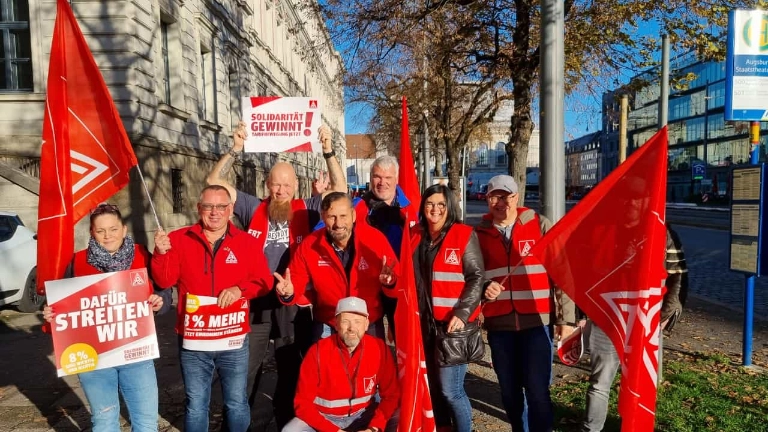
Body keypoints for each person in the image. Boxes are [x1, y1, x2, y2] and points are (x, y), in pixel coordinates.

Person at [206, 122, 347, 428]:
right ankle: (242, 423)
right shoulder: (252, 207)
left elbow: (339, 191)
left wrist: (328, 151)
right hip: (255, 302)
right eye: (275, 185)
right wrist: (234, 149)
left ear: (296, 186)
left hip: (292, 304)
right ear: (267, 185)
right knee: (247, 370)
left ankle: (286, 422)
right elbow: (214, 182)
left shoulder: (307, 209)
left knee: (291, 369)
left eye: (287, 185)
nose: (281, 191)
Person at [151, 185, 273, 432]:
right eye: (208, 206)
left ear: (230, 210)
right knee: (196, 404)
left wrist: (241, 290)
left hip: (233, 340)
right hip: (194, 341)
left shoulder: (247, 242)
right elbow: (164, 281)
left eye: (221, 206)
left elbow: (265, 282)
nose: (214, 212)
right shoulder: (178, 239)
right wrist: (161, 254)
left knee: (236, 403)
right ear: (199, 209)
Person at [42, 203, 168, 432]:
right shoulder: (78, 261)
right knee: (104, 422)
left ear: (124, 229)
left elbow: (164, 289)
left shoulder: (142, 255)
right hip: (94, 358)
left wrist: (160, 302)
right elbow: (60, 304)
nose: (107, 236)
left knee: (146, 422)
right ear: (92, 232)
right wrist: (50, 315)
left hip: (136, 352)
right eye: (100, 231)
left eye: (113, 229)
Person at [476, 174, 577, 432]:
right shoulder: (477, 234)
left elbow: (562, 274)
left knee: (538, 391)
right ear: (488, 199)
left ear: (516, 197)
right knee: (509, 392)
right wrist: (484, 288)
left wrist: (565, 320)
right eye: (495, 196)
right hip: (500, 327)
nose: (502, 203)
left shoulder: (539, 225)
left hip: (537, 324)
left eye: (507, 196)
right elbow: (470, 277)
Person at [580, 222, 688, 432]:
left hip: (644, 320)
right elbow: (585, 270)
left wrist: (665, 314)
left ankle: (635, 427)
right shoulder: (603, 227)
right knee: (600, 381)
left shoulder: (663, 231)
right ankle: (591, 429)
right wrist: (583, 312)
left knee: (640, 383)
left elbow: (679, 275)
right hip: (608, 315)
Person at [275, 192, 399, 341]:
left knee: (371, 364)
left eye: (343, 216)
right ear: (323, 216)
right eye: (332, 217)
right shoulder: (310, 245)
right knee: (324, 364)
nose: (338, 224)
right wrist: (288, 292)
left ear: (353, 215)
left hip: (367, 322)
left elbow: (396, 277)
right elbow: (295, 278)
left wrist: (391, 282)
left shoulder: (375, 239)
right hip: (329, 322)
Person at [411, 184, 484, 432]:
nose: (435, 209)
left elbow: (476, 277)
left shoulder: (464, 234)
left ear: (449, 207)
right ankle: (443, 428)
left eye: (441, 204)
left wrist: (462, 314)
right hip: (423, 325)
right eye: (430, 203)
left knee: (451, 391)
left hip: (452, 326)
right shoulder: (415, 236)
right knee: (432, 386)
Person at [283, 297, 400, 432]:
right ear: (336, 324)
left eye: (357, 322)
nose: (351, 328)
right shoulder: (317, 351)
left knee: (403, 417)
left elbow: (391, 395)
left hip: (364, 414)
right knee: (290, 430)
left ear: (366, 324)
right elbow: (302, 404)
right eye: (345, 321)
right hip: (325, 417)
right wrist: (333, 430)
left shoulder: (379, 349)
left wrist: (373, 428)